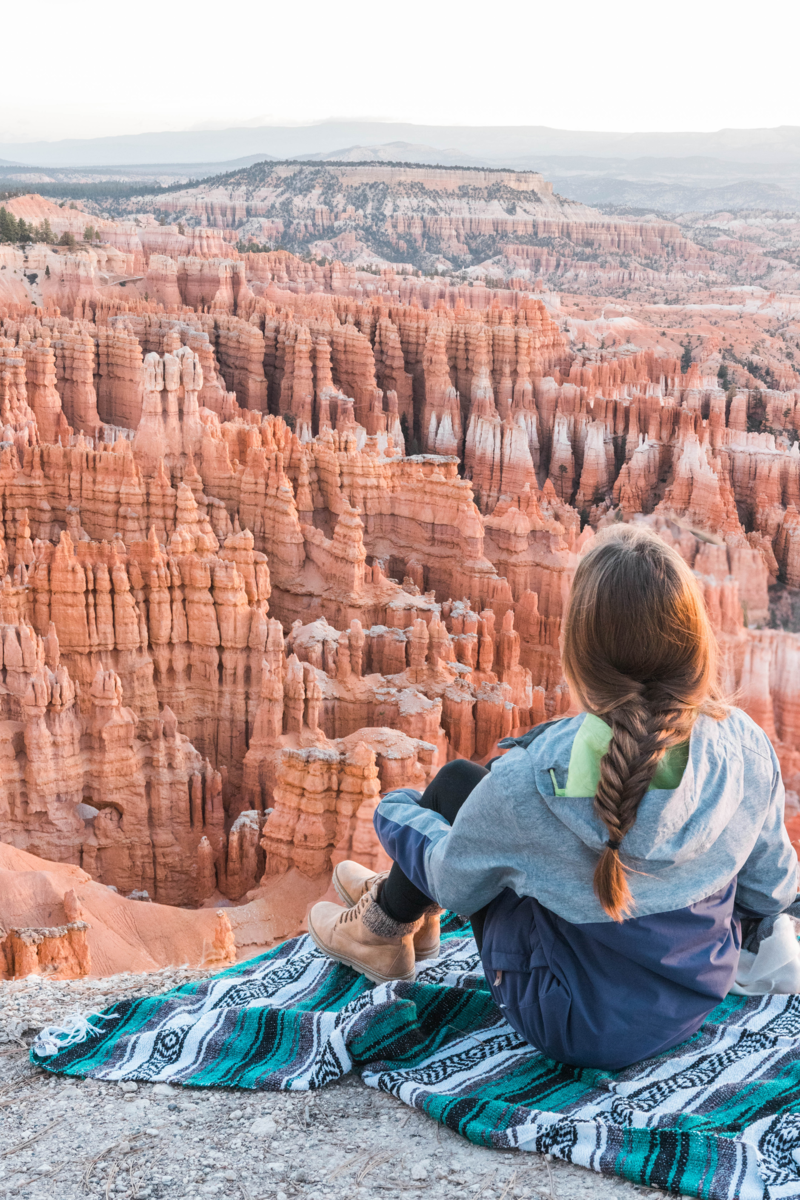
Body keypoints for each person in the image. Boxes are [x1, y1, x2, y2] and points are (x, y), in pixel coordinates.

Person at [308, 525, 798, 1070]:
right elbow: (770, 888)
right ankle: (396, 921)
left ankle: (382, 927)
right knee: (485, 797)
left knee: (456, 787)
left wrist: (394, 810)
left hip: (570, 1023)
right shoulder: (745, 744)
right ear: (695, 645)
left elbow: (453, 883)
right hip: (693, 995)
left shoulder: (526, 786)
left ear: (580, 654)